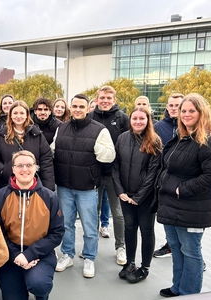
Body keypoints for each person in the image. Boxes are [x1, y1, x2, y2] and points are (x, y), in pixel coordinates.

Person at [157, 93, 211, 297]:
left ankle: (190, 294)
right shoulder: (180, 138)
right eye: (183, 111)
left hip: (191, 208)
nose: (186, 114)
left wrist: (182, 189)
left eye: (191, 111)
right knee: (177, 250)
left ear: (201, 113)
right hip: (172, 206)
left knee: (191, 252)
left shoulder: (208, 141)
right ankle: (178, 287)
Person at [52, 93, 115, 278]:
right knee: (66, 224)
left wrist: (95, 146)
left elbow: (109, 155)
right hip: (64, 186)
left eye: (82, 106)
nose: (78, 110)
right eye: (75, 106)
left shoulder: (100, 130)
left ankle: (89, 257)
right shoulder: (61, 128)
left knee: (89, 225)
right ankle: (67, 254)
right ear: (70, 108)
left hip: (87, 188)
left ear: (88, 108)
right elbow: (53, 150)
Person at [0, 150, 64, 300]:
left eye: (29, 165)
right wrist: (16, 255)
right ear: (13, 169)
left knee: (39, 285)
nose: (25, 169)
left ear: (36, 167)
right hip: (11, 256)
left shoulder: (49, 197)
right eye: (20, 165)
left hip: (40, 255)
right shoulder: (0, 196)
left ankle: (41, 293)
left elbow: (57, 233)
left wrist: (30, 254)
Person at [112, 108, 162, 283]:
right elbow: (115, 167)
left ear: (148, 120)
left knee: (147, 231)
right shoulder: (122, 138)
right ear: (130, 120)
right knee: (130, 228)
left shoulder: (154, 141)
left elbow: (153, 173)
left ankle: (145, 267)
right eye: (135, 118)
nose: (138, 121)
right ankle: (130, 262)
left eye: (142, 118)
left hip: (145, 197)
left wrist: (139, 197)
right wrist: (120, 192)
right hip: (126, 195)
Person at [89, 85, 128, 266]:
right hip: (94, 174)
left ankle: (121, 247)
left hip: (114, 174)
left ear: (114, 100)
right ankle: (91, 248)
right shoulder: (89, 117)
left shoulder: (122, 118)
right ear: (96, 100)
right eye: (102, 98)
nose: (105, 101)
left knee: (118, 213)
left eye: (109, 98)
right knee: (92, 212)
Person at [0, 100, 55, 191]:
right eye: (15, 113)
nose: (18, 116)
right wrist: (3, 170)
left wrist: (48, 189)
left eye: (22, 113)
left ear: (27, 115)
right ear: (10, 115)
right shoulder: (1, 136)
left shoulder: (37, 135)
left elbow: (46, 161)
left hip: (33, 185)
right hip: (8, 185)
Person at [153, 92, 183, 258]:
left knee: (184, 221)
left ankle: (192, 256)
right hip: (163, 179)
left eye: (177, 106)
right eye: (171, 105)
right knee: (166, 215)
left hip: (182, 180)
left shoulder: (190, 126)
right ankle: (170, 245)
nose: (173, 109)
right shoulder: (159, 127)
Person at [87, 98, 110, 239]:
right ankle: (92, 238)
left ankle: (105, 224)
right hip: (93, 172)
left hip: (110, 171)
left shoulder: (120, 118)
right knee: (94, 207)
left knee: (106, 201)